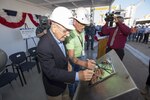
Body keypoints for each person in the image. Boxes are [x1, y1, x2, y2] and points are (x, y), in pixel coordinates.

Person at [37, 7, 94, 100]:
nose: (68, 34)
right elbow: (51, 73)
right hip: (54, 89)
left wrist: (67, 62)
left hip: (64, 82)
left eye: (69, 31)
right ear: (54, 27)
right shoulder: (43, 46)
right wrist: (77, 75)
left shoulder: (60, 37)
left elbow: (63, 53)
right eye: (65, 31)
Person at [65, 7, 96, 99]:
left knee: (78, 79)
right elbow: (71, 57)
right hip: (73, 61)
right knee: (72, 80)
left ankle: (77, 93)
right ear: (74, 21)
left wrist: (85, 59)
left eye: (84, 24)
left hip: (80, 57)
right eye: (81, 23)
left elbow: (81, 45)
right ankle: (73, 96)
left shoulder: (82, 30)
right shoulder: (70, 34)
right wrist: (85, 64)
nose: (83, 26)